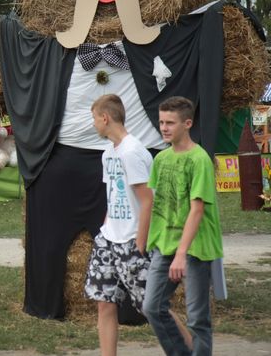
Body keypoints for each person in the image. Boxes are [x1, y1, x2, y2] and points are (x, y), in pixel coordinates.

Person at [142, 96, 223, 356]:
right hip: (165, 245)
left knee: (197, 318)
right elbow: (159, 204)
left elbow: (197, 209)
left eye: (170, 123)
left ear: (187, 123)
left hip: (194, 248)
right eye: (161, 122)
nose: (164, 127)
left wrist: (181, 254)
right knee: (152, 307)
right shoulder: (161, 159)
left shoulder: (199, 160)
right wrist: (148, 240)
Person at [84, 95, 154, 356]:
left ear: (105, 118)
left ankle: (188, 350)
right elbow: (114, 195)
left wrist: (140, 244)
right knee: (104, 303)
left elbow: (148, 201)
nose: (93, 125)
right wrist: (105, 230)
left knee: (153, 308)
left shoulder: (132, 151)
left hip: (131, 241)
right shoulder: (108, 152)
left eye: (94, 119)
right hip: (108, 240)